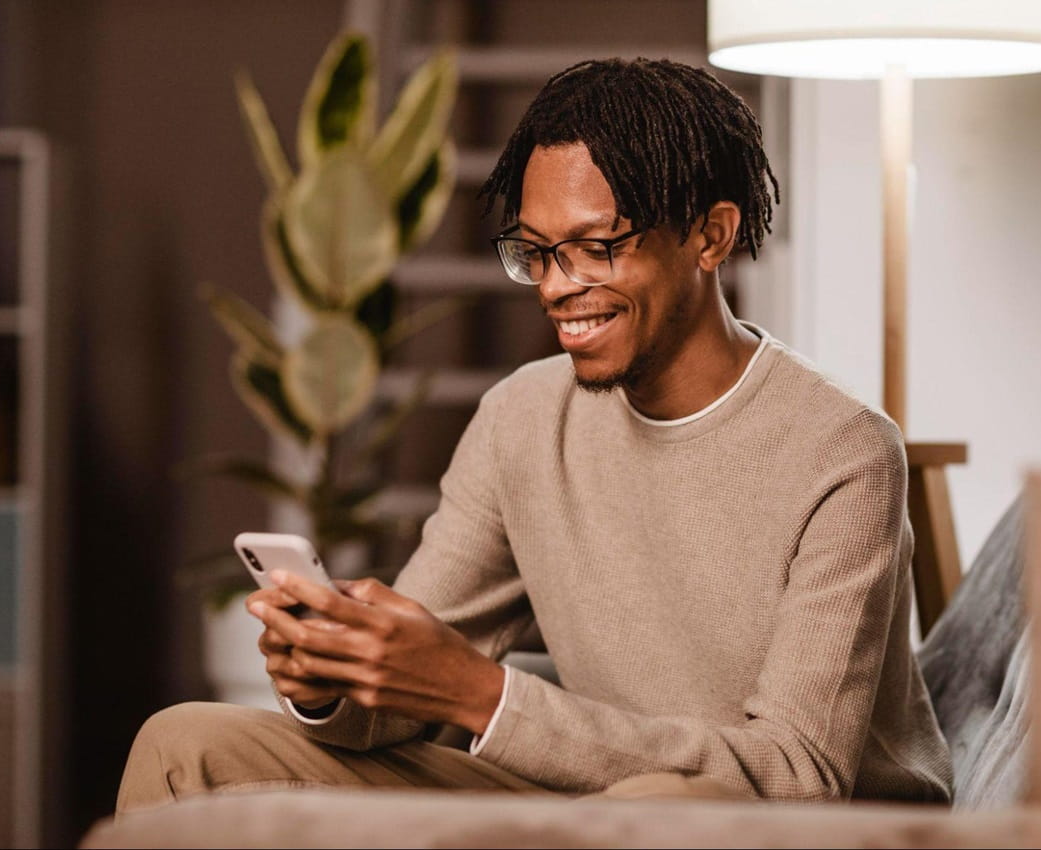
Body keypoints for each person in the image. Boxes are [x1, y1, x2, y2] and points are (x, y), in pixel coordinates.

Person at [117, 57, 952, 811]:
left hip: (774, 826)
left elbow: (799, 781)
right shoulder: (521, 418)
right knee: (185, 746)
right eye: (537, 253)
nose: (558, 287)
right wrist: (337, 680)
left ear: (711, 235)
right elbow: (410, 691)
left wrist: (486, 697)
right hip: (589, 799)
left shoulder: (843, 451)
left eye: (596, 248)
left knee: (665, 808)